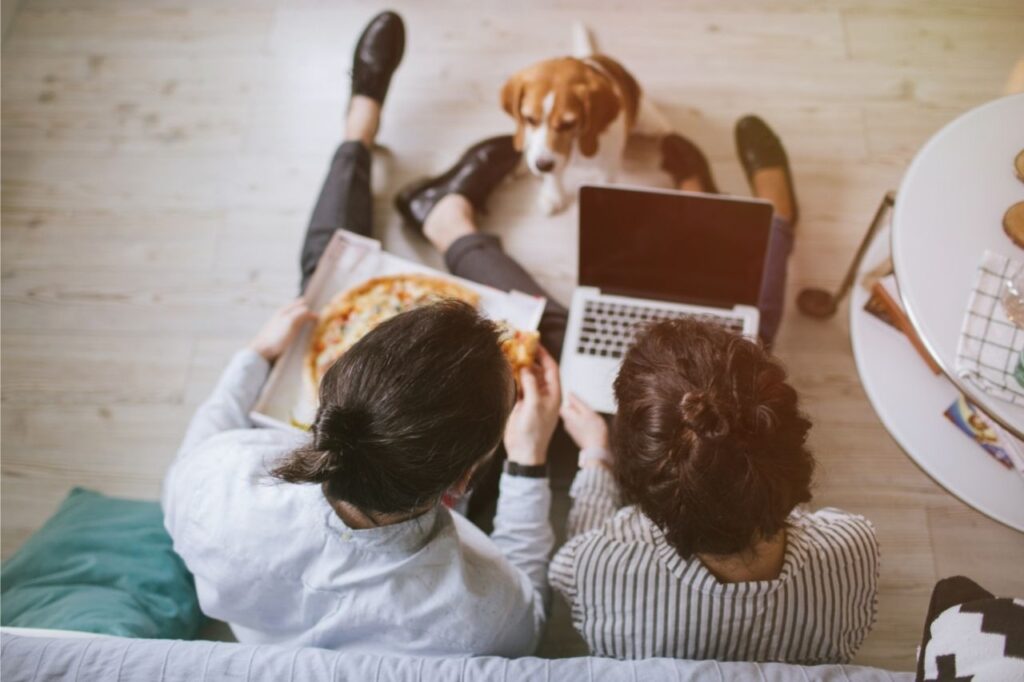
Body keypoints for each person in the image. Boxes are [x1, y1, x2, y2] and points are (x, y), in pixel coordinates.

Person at [162, 11, 564, 656]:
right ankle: (446, 215)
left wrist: (259, 352)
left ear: (329, 392)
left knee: (319, 271)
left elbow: (197, 453)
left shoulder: (213, 490)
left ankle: (361, 123)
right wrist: (530, 461)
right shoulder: (478, 612)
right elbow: (531, 615)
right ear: (465, 481)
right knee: (558, 339)